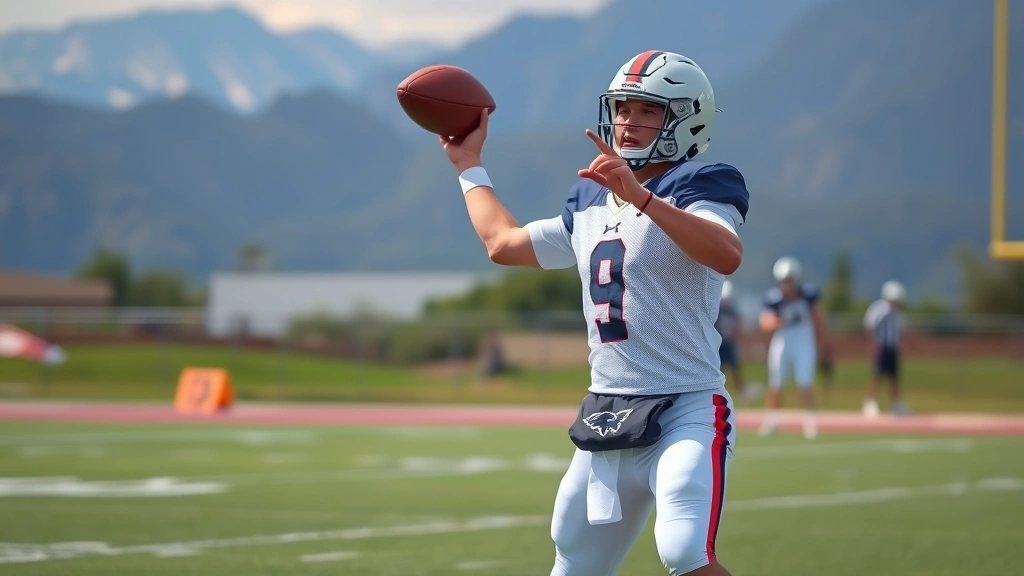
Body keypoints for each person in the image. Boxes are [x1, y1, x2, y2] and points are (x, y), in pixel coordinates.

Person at [439, 51, 749, 576]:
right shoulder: (590, 196)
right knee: (573, 558)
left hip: (685, 406)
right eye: (623, 108)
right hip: (609, 411)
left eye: (648, 110)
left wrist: (644, 200)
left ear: (687, 116)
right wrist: (469, 165)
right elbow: (503, 242)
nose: (629, 122)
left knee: (684, 550)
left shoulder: (703, 181)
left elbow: (726, 253)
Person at [758, 256, 830, 439]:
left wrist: (823, 345)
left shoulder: (808, 294)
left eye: (789, 279)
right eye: (784, 280)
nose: (787, 284)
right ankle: (772, 420)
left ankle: (810, 421)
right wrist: (776, 322)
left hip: (803, 341)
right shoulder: (774, 297)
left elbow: (819, 319)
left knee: (804, 381)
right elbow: (765, 322)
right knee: (776, 382)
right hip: (782, 341)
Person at [862, 280, 910, 417]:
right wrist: (873, 344)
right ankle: (870, 403)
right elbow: (869, 326)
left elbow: (901, 330)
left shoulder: (898, 313)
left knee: (894, 377)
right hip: (881, 347)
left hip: (892, 347)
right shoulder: (878, 309)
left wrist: (901, 345)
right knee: (877, 375)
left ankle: (895, 404)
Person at [715, 281, 748, 398]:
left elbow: (738, 324)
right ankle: (718, 390)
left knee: (735, 367)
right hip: (718, 345)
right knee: (718, 369)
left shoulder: (732, 309)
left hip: (728, 343)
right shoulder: (716, 309)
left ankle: (741, 390)